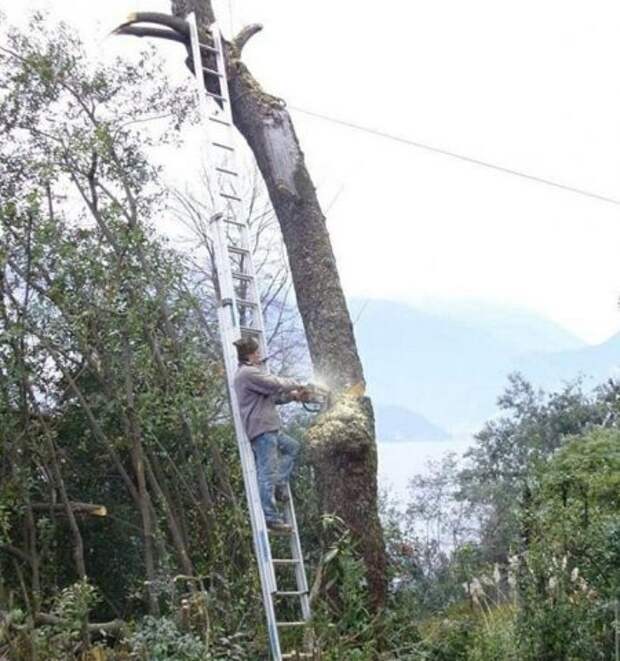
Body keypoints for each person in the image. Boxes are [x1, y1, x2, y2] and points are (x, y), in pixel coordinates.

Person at [232, 336, 306, 532]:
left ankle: (281, 483)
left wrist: (293, 396)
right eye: (256, 352)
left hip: (269, 427)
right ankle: (272, 518)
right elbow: (275, 384)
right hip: (262, 429)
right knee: (267, 472)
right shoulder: (248, 373)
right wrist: (298, 383)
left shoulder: (250, 375)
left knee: (292, 447)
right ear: (249, 354)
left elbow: (273, 397)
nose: (259, 355)